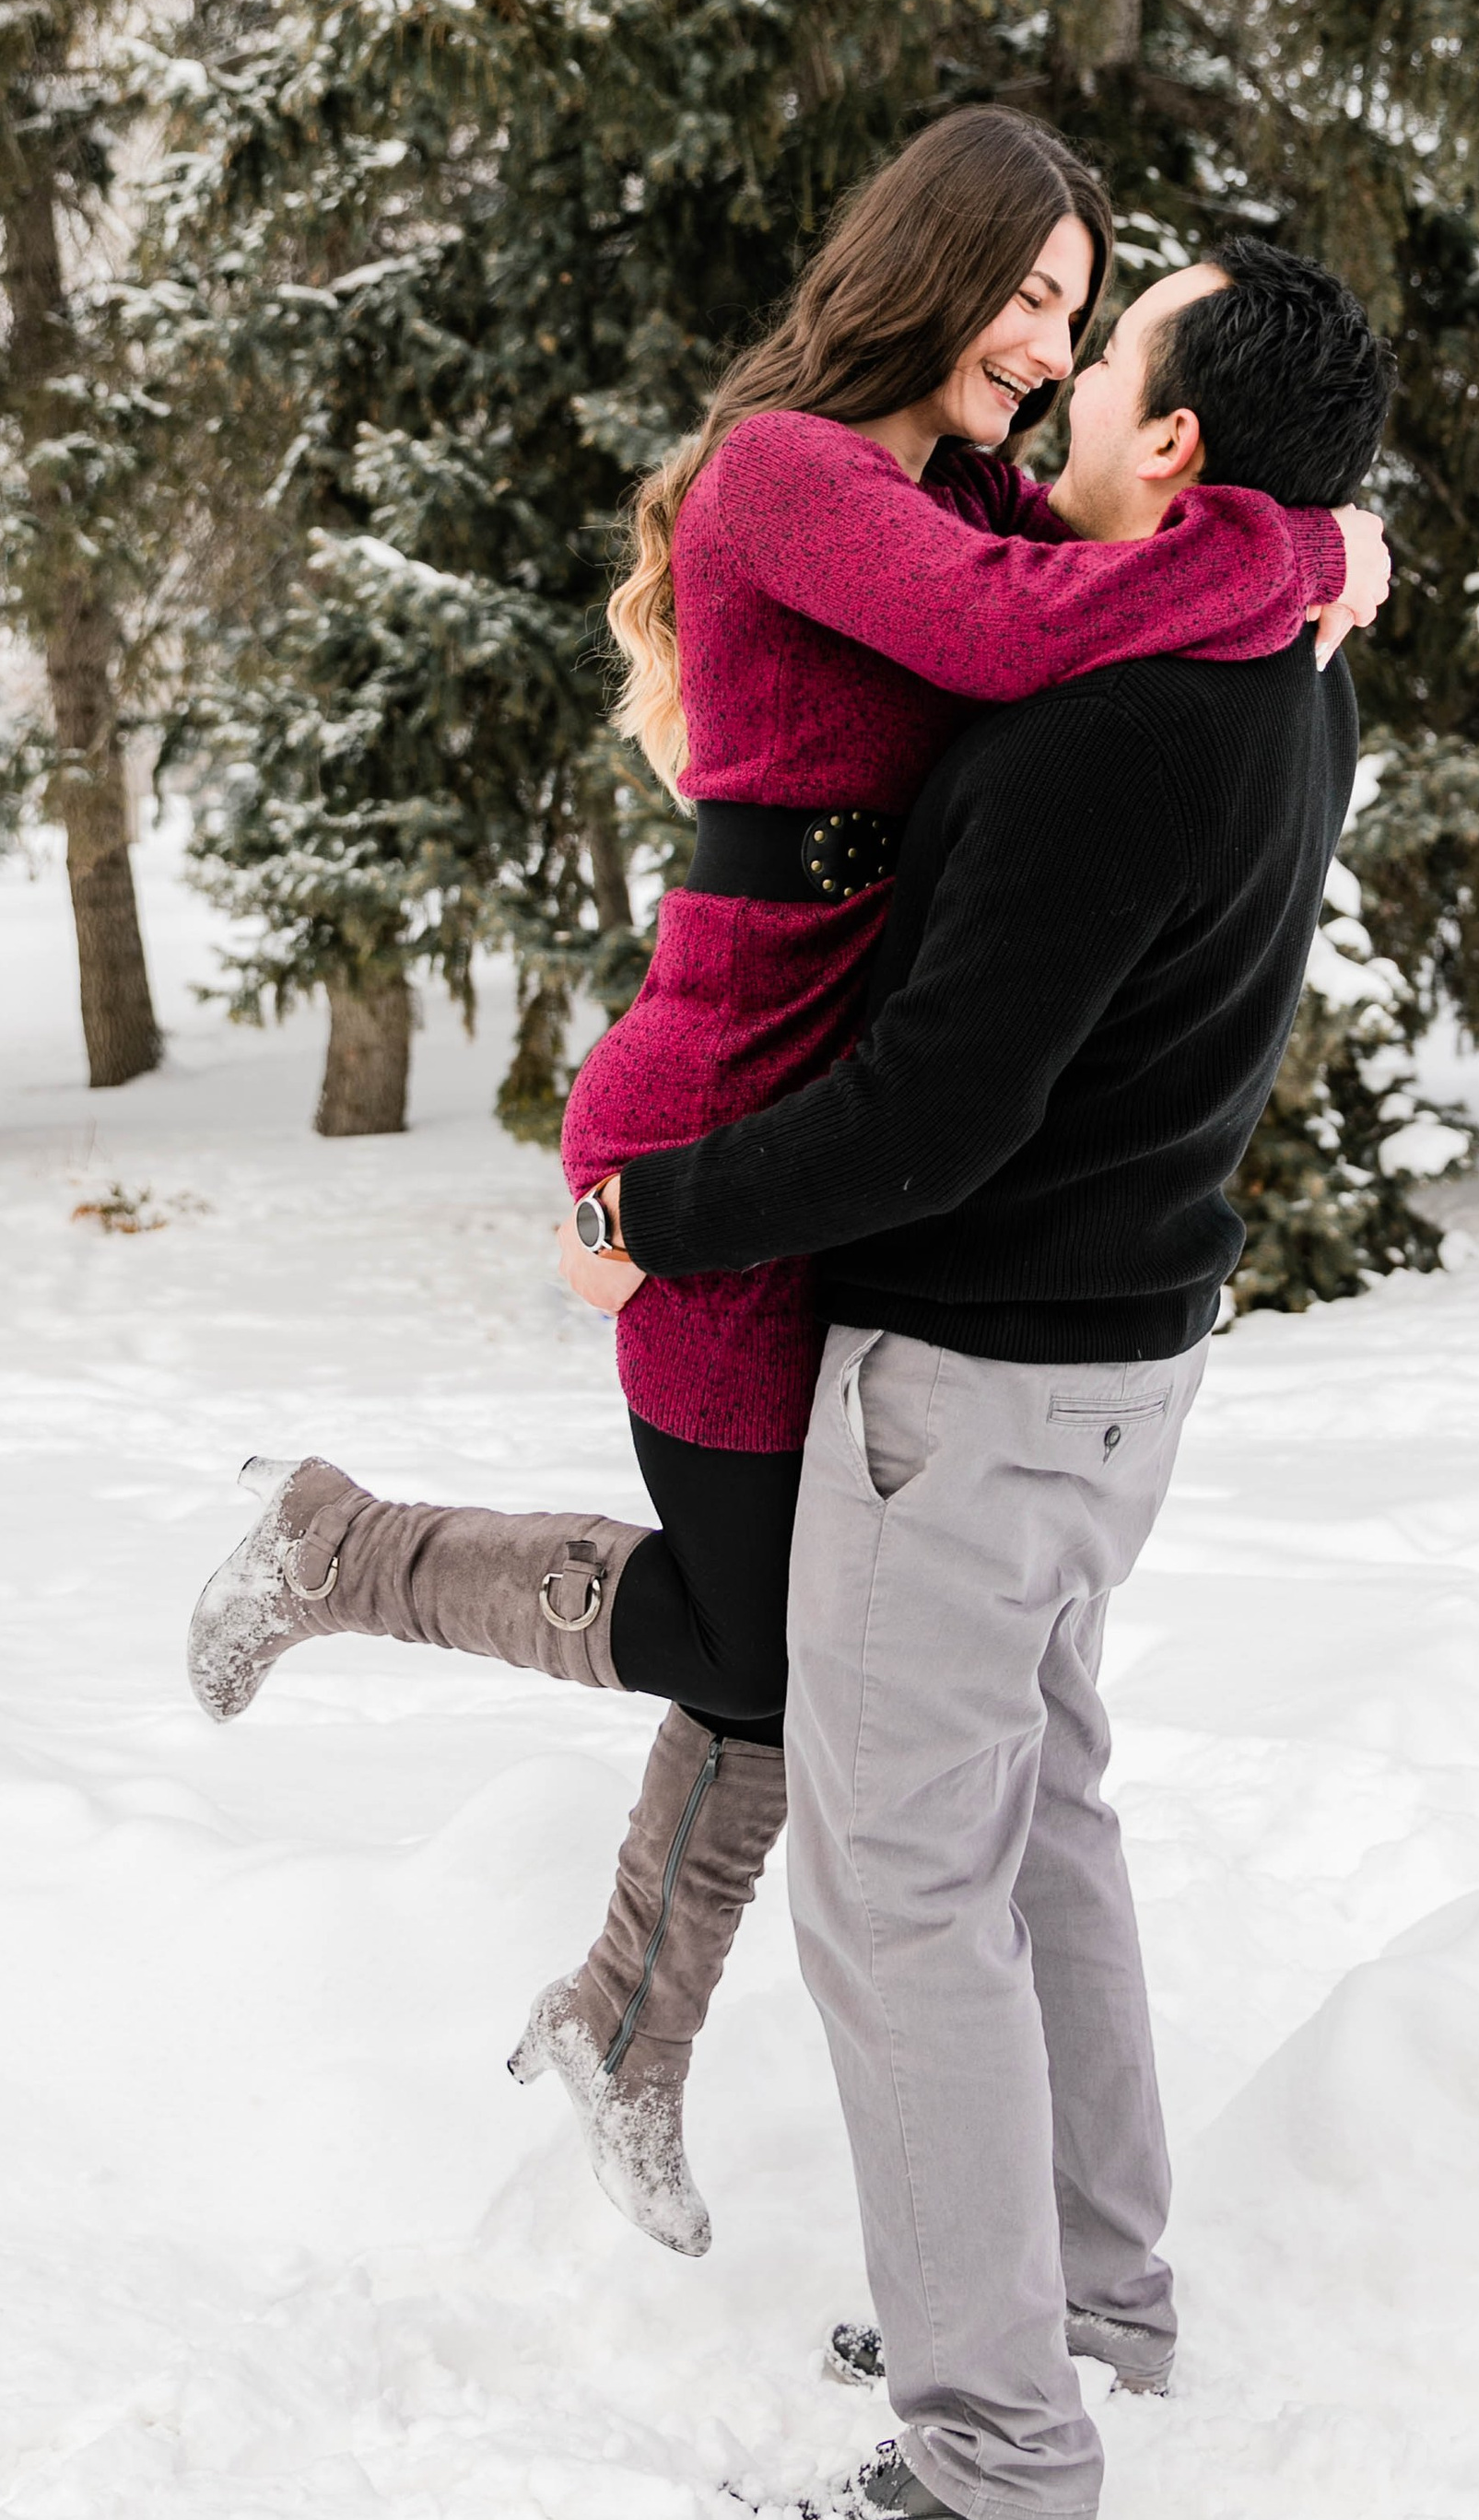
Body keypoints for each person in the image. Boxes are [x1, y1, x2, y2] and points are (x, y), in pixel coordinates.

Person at [186, 110, 1389, 2258]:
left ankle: (622, 2031)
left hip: (844, 1133)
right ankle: (343, 1549)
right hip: (721, 1117)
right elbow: (1030, 634)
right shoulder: (793, 478)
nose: (1045, 340)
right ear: (926, 268)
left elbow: (1098, 570)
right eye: (1023, 291)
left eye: (1072, 309)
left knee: (770, 1662)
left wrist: (1291, 540)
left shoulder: (971, 486)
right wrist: (1303, 551)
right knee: (756, 1637)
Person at [566, 235, 1391, 2520]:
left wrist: (665, 1211)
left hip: (971, 1379)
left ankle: (993, 2449)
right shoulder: (1282, 663)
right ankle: (1086, 2307)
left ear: (1180, 448)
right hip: (1124, 1369)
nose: (1065, 382)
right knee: (1044, 1830)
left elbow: (934, 1111)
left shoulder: (1113, 718)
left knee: (900, 1892)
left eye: (1106, 348)